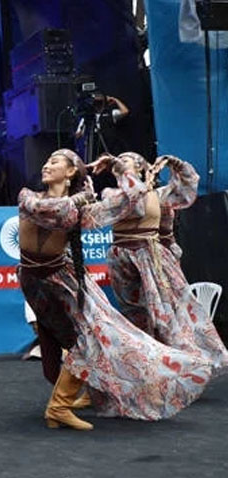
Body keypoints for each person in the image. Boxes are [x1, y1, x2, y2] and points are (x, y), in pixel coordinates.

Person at [17, 149, 213, 431]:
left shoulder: (84, 207)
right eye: (46, 161)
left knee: (90, 336)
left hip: (62, 277)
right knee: (76, 337)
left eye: (55, 162)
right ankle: (68, 401)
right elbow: (52, 212)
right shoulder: (28, 197)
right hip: (40, 280)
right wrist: (82, 196)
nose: (46, 165)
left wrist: (119, 167)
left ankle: (61, 405)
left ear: (71, 171)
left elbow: (130, 198)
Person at [91, 152, 227, 371]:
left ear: (141, 168)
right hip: (123, 257)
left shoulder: (159, 195)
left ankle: (179, 363)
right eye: (119, 160)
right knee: (134, 313)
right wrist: (120, 169)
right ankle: (143, 366)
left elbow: (188, 185)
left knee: (162, 313)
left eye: (126, 160)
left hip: (149, 255)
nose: (120, 162)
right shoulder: (111, 194)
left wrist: (176, 163)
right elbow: (133, 202)